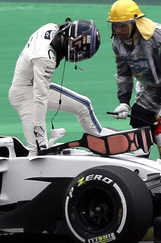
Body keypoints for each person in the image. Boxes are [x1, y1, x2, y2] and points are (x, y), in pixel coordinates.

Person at [107, 0, 161, 164]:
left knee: (141, 115)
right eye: (115, 25)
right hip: (145, 79)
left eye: (123, 25)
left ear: (134, 23)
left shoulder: (155, 37)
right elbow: (123, 72)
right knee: (144, 119)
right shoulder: (117, 41)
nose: (119, 30)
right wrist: (124, 101)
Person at [9, 19, 103, 158]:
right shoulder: (46, 58)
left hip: (32, 84)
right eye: (80, 51)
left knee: (84, 105)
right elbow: (40, 99)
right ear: (74, 40)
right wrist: (41, 139)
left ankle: (104, 144)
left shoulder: (52, 27)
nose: (78, 56)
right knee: (38, 153)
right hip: (25, 94)